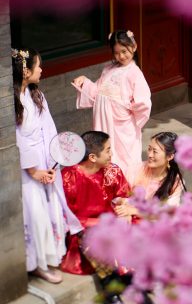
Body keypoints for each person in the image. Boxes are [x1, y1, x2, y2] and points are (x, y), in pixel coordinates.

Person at [12, 48, 83, 284]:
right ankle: (36, 263)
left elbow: (49, 129)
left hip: (45, 162)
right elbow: (17, 139)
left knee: (50, 207)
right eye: (38, 66)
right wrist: (34, 170)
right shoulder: (11, 101)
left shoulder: (37, 96)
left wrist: (54, 163)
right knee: (35, 215)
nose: (41, 70)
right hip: (25, 170)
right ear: (25, 71)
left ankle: (49, 256)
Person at [72, 30, 151, 185]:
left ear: (133, 47)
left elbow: (144, 102)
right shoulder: (108, 68)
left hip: (122, 124)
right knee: (104, 152)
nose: (121, 56)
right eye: (116, 53)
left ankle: (125, 189)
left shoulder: (135, 73)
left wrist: (127, 108)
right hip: (104, 119)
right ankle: (108, 188)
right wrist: (84, 82)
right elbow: (97, 91)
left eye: (124, 51)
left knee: (124, 156)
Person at [60, 131, 131, 275]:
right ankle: (115, 283)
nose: (111, 154)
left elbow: (125, 195)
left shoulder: (112, 170)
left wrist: (126, 209)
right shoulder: (68, 178)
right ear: (92, 157)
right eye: (108, 150)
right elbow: (66, 217)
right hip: (83, 229)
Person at [114, 132, 186, 219]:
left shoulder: (175, 181)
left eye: (155, 151)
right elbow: (116, 195)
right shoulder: (135, 169)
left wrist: (136, 210)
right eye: (149, 149)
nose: (150, 155)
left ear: (170, 156)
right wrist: (126, 206)